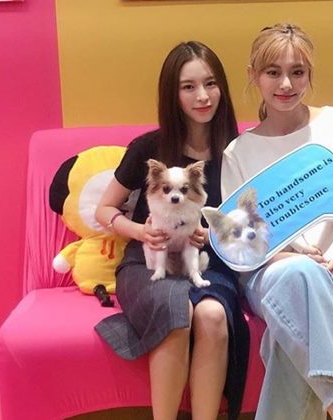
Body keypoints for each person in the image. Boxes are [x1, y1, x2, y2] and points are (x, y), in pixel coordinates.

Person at [221, 23, 333, 420]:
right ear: (254, 75)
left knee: (286, 338)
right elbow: (242, 246)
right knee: (300, 273)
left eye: (297, 72)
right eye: (273, 72)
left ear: (310, 74)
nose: (286, 84)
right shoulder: (238, 153)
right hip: (272, 274)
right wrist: (290, 258)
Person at [94, 41, 249, 420]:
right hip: (149, 261)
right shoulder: (149, 148)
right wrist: (139, 231)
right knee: (176, 310)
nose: (202, 96)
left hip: (208, 262)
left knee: (212, 316)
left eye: (210, 84)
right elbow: (104, 209)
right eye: (188, 87)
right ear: (172, 94)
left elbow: (248, 224)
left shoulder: (239, 151)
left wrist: (211, 236)